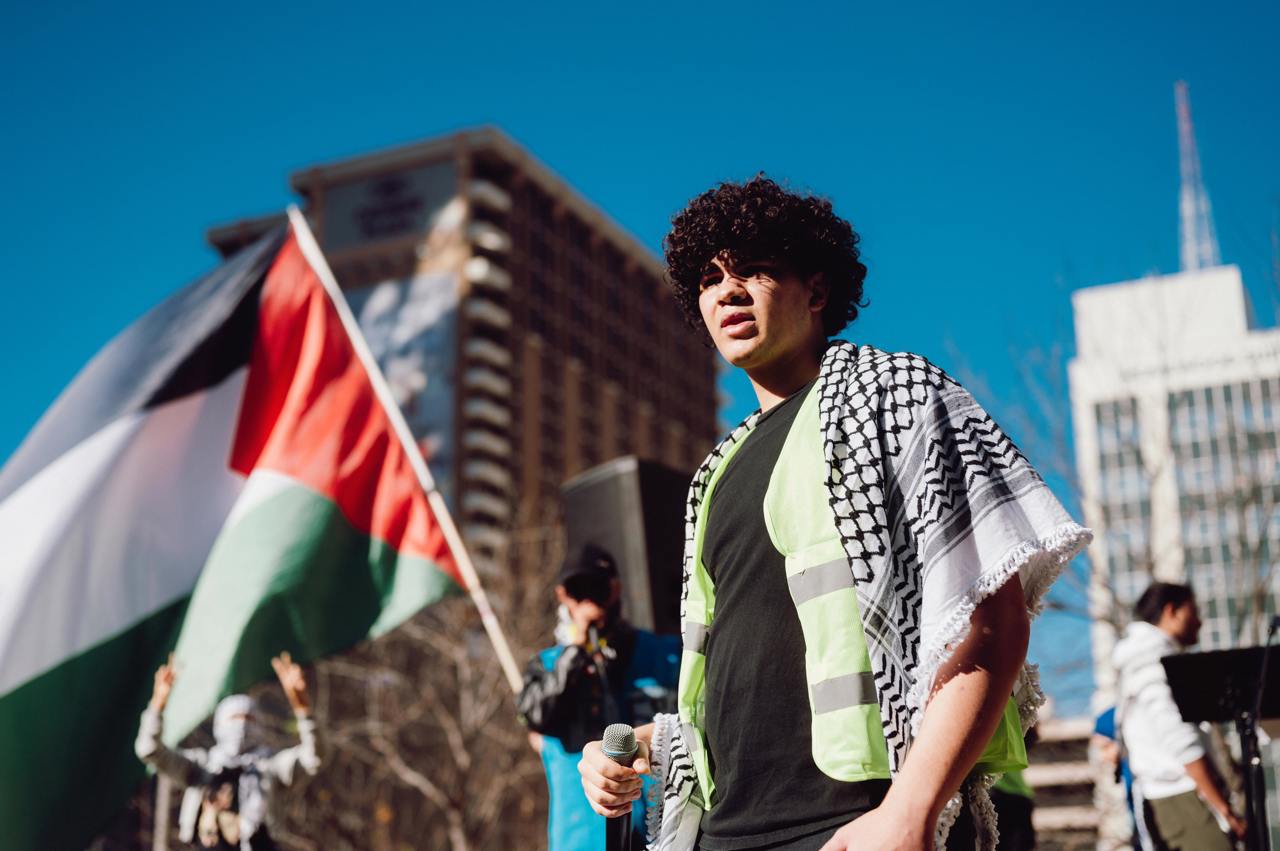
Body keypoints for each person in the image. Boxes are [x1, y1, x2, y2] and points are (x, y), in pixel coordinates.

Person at [577, 176, 1091, 851]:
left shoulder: (897, 396)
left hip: (859, 822)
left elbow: (992, 623)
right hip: (725, 833)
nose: (727, 290)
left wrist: (909, 811)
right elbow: (741, 681)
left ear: (817, 291)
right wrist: (647, 744)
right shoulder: (714, 474)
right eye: (709, 278)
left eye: (754, 268)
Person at [517, 544, 681, 850]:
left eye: (597, 587)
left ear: (616, 588)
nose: (589, 600)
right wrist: (575, 653)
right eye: (578, 591)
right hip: (581, 834)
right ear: (563, 596)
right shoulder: (548, 665)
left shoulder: (666, 654)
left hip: (660, 828)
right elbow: (534, 715)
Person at [135, 652, 320, 850]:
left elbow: (314, 757)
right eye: (234, 718)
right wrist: (157, 705)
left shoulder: (269, 766)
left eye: (248, 719)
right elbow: (149, 749)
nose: (241, 726)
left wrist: (304, 710)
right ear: (220, 724)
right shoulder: (202, 768)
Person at [1113, 582, 1246, 851]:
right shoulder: (1152, 660)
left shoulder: (1147, 658)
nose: (1199, 622)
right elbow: (1180, 739)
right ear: (1171, 611)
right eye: (1193, 612)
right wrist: (1223, 809)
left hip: (1180, 796)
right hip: (1182, 797)